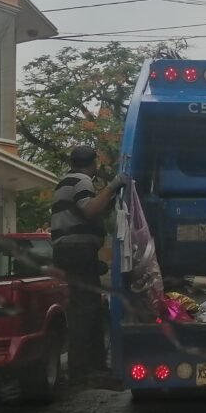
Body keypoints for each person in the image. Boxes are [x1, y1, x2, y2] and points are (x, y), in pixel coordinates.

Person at [51, 146, 127, 381]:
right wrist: (113, 186)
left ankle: (92, 365)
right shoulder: (82, 180)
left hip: (70, 252)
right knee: (86, 309)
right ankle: (83, 368)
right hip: (77, 252)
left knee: (88, 306)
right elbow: (89, 209)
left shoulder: (66, 180)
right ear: (93, 163)